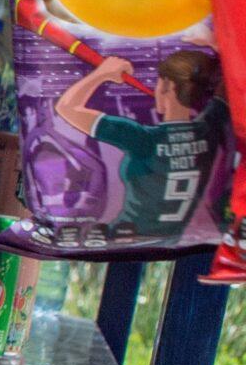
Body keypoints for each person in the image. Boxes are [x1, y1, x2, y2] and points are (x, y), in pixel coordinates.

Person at [56, 49, 230, 238]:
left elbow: (66, 107)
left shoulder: (142, 139)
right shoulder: (209, 129)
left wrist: (102, 73)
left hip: (122, 239)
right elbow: (228, 83)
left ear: (167, 85)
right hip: (172, 243)